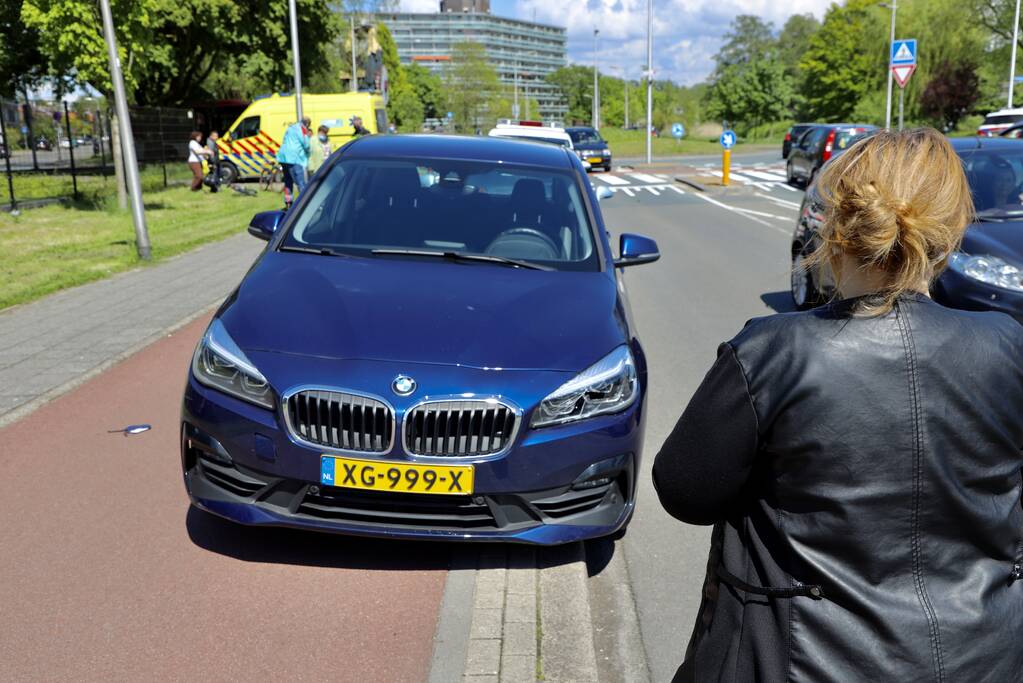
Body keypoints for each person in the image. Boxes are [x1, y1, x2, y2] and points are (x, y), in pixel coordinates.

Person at [652, 128, 1023, 682]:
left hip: (800, 659)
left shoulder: (771, 351)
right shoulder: (1008, 345)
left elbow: (685, 492)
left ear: (834, 227)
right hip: (987, 658)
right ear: (952, 232)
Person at [277, 116, 311, 208]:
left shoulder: (290, 127)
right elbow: (306, 143)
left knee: (288, 181)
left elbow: (284, 140)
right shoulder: (302, 129)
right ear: (307, 124)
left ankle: (288, 202)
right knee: (301, 182)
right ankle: (304, 203)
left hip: (283, 157)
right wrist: (309, 152)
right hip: (294, 158)